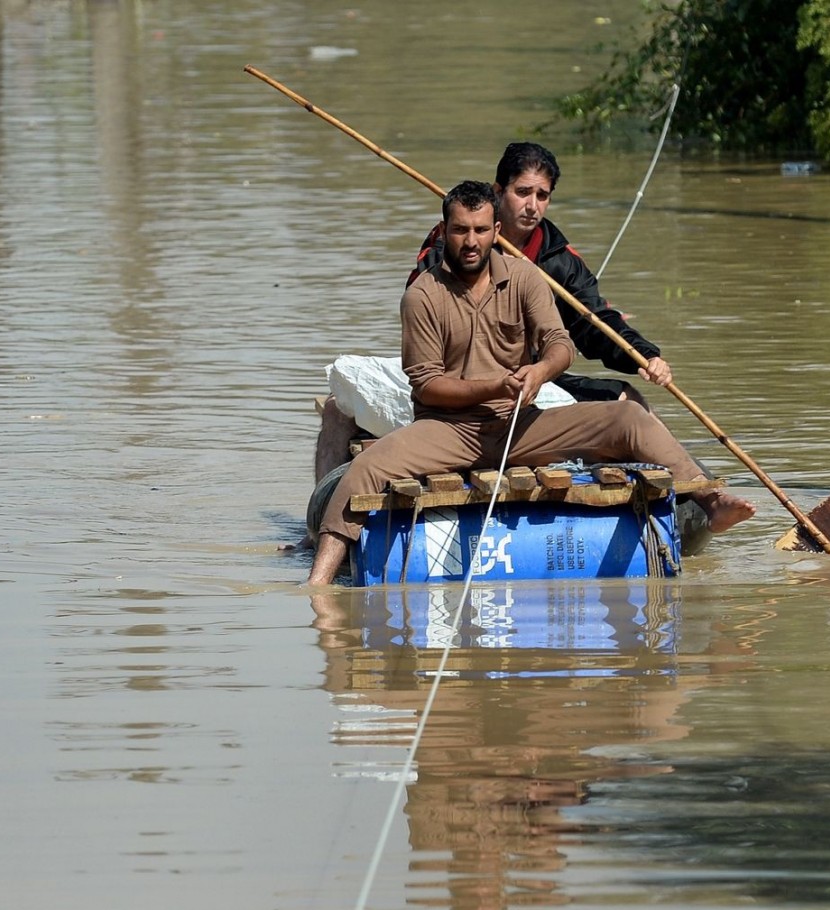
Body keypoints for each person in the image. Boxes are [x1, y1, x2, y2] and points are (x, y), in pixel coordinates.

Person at [306, 182, 754, 585]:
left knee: (629, 417)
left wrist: (539, 373)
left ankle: (710, 501)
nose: (470, 242)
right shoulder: (423, 295)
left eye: (481, 230)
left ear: (495, 229)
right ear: (443, 231)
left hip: (524, 424)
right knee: (365, 470)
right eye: (460, 230)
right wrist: (498, 385)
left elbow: (560, 343)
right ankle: (319, 584)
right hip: (448, 431)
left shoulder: (524, 278)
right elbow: (427, 387)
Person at [314, 142, 671, 484]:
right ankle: (317, 524)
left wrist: (643, 354)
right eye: (522, 192)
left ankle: (681, 494)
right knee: (336, 406)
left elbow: (593, 321)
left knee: (628, 399)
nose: (532, 206)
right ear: (499, 192)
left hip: (529, 380)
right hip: (453, 380)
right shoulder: (453, 241)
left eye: (542, 196)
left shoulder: (558, 259)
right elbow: (424, 302)